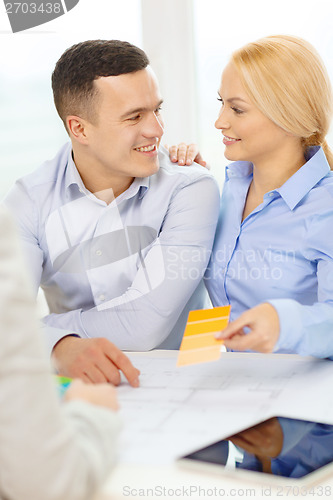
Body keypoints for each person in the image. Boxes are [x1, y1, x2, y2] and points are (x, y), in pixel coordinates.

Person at [3, 40, 220, 383]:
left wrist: (48, 339)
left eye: (156, 110)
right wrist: (54, 346)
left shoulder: (191, 188)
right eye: (134, 116)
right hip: (83, 392)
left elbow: (145, 324)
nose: (157, 130)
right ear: (80, 129)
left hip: (191, 384)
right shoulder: (29, 200)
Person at [170, 35, 333, 358]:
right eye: (221, 103)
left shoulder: (325, 210)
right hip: (229, 384)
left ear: (289, 116)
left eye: (237, 109)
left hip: (298, 399)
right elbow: (217, 307)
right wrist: (179, 185)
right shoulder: (227, 191)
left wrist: (282, 320)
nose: (220, 122)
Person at [0, 206, 121, 500]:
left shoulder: (189, 185)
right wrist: (91, 413)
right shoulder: (26, 200)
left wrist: (42, 335)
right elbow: (47, 485)